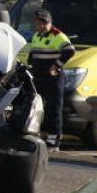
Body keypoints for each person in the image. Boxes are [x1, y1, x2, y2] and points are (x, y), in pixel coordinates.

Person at [26, 8, 75, 150]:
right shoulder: (36, 35)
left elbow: (70, 50)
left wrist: (56, 65)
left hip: (53, 78)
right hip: (39, 77)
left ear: (49, 22)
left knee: (54, 108)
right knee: (37, 107)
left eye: (43, 23)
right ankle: (37, 135)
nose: (40, 26)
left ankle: (54, 141)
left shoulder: (57, 35)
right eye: (38, 23)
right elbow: (33, 54)